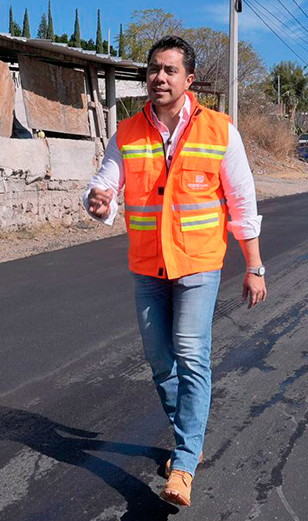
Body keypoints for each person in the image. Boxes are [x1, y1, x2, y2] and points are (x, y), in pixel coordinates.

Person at [84, 35, 267, 508]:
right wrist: (98, 200)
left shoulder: (221, 130)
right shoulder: (127, 132)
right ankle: (190, 432)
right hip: (147, 265)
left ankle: (184, 464)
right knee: (159, 359)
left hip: (199, 262)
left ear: (189, 79)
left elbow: (242, 203)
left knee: (190, 350)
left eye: (169, 70)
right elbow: (104, 183)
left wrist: (254, 266)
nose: (158, 77)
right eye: (153, 69)